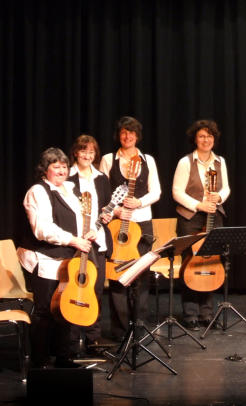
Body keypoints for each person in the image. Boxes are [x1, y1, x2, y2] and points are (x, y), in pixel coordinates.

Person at [18, 147, 96, 368]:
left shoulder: (70, 189)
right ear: (45, 170)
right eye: (56, 167)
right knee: (45, 310)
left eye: (64, 166)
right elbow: (42, 229)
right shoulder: (38, 191)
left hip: (67, 258)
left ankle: (63, 357)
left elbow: (82, 219)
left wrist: (90, 231)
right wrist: (73, 240)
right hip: (44, 258)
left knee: (65, 307)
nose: (62, 171)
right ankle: (40, 361)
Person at [99, 116, 161, 339]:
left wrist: (139, 202)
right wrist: (116, 210)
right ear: (119, 135)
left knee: (141, 274)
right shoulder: (108, 159)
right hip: (117, 224)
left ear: (137, 135)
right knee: (117, 274)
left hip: (142, 222)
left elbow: (156, 191)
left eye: (132, 132)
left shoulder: (148, 160)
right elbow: (102, 192)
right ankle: (120, 329)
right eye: (124, 132)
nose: (127, 136)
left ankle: (139, 326)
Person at [172, 119, 230, 330]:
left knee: (211, 263)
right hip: (191, 218)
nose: (206, 140)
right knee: (191, 263)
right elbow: (177, 192)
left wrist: (219, 198)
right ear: (195, 139)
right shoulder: (186, 162)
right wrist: (199, 205)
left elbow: (226, 188)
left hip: (214, 215)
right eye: (202, 136)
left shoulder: (220, 161)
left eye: (209, 136)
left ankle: (207, 313)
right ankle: (190, 314)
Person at [67, 135, 115, 354]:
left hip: (96, 240)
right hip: (74, 241)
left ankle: (93, 337)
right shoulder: (67, 176)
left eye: (91, 152)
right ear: (76, 152)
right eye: (83, 151)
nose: (87, 155)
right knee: (72, 289)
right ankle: (69, 339)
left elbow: (106, 207)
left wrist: (106, 216)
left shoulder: (101, 178)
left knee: (95, 290)